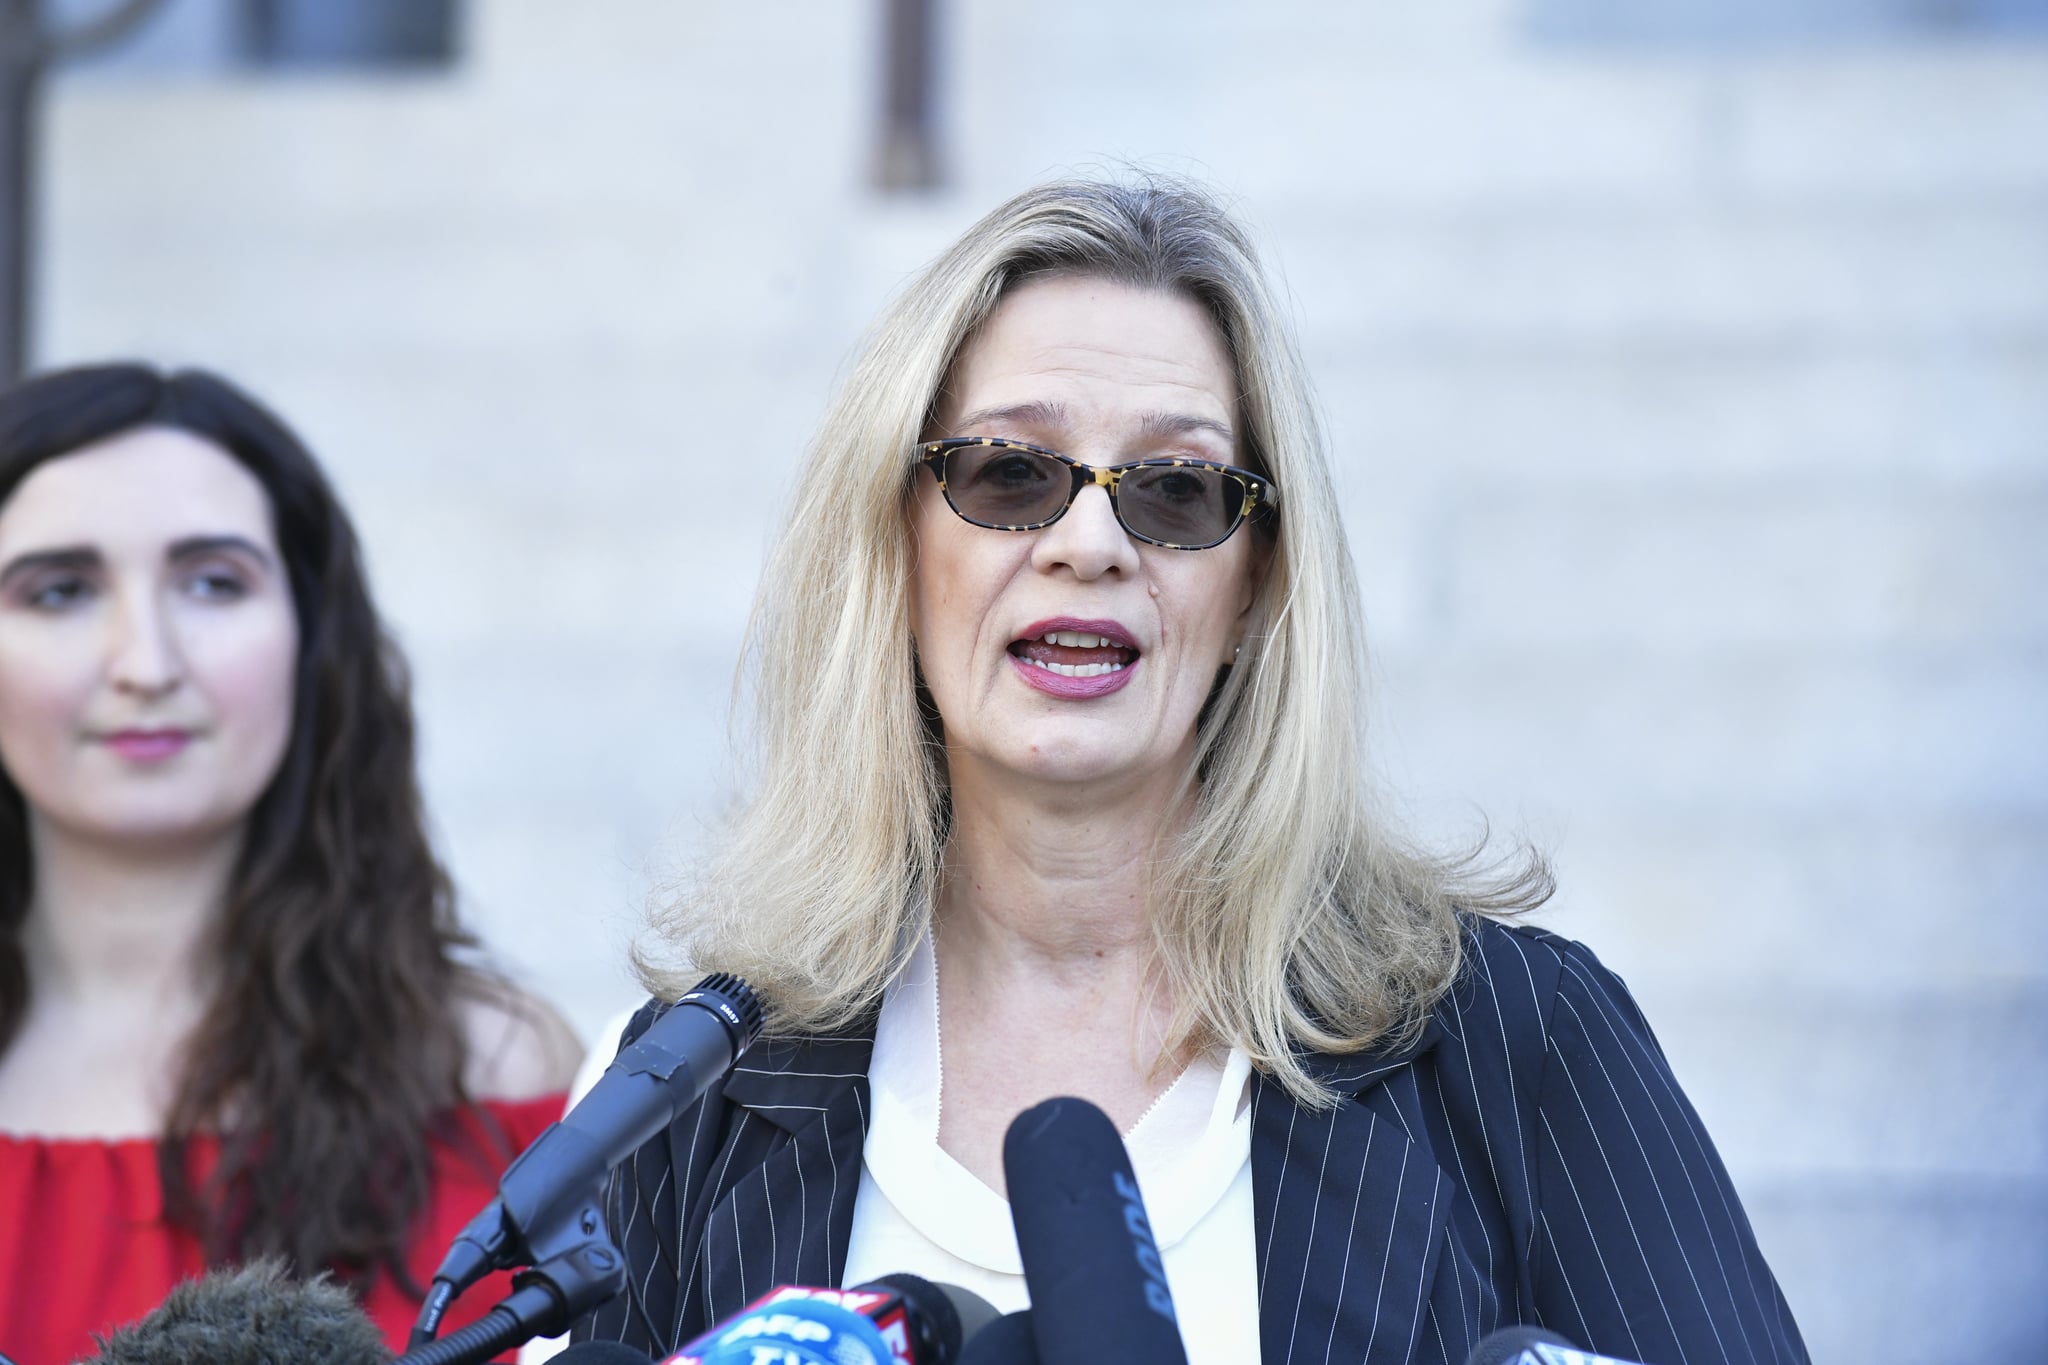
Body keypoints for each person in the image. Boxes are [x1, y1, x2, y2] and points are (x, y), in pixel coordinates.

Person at [571, 177, 1808, 1364]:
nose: (1090, 543)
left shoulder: (1516, 1043)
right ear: (894, 540)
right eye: (1010, 472)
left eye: (1172, 490)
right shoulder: (692, 1089)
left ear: (1258, 584)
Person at [0, 364, 582, 1362]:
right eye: (60, 590)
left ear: (312, 639)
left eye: (213, 582)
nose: (145, 662)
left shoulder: (497, 1072)